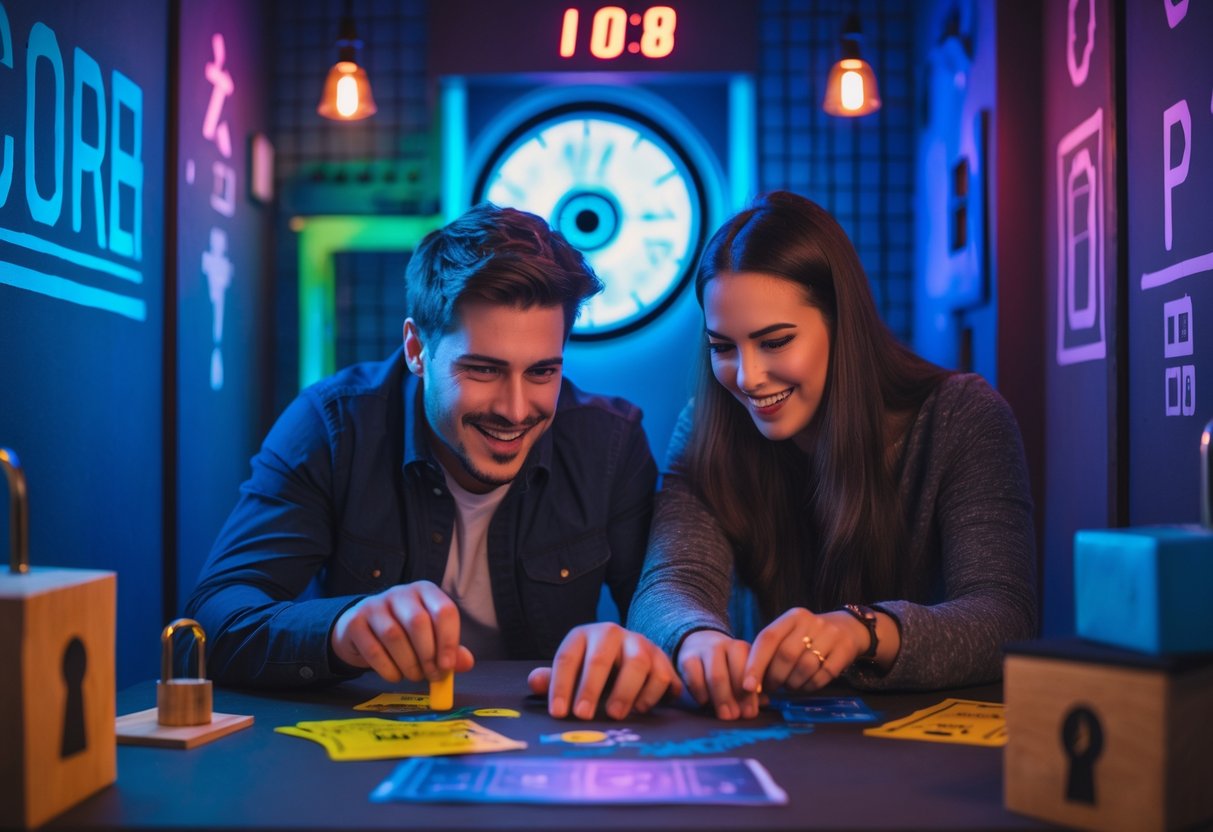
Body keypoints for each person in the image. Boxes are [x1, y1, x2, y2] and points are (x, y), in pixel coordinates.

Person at [186, 203, 680, 721]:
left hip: (550, 740)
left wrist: (638, 648)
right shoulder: (333, 427)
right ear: (417, 349)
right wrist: (342, 629)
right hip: (374, 746)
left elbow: (661, 608)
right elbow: (210, 623)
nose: (515, 410)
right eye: (483, 370)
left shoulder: (610, 444)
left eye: (541, 372)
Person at [627, 191, 1036, 721]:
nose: (747, 377)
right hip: (773, 732)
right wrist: (696, 639)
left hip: (927, 741)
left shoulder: (962, 417)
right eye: (723, 347)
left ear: (842, 326)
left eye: (775, 342)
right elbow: (670, 584)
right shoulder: (707, 426)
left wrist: (861, 630)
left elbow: (1004, 615)